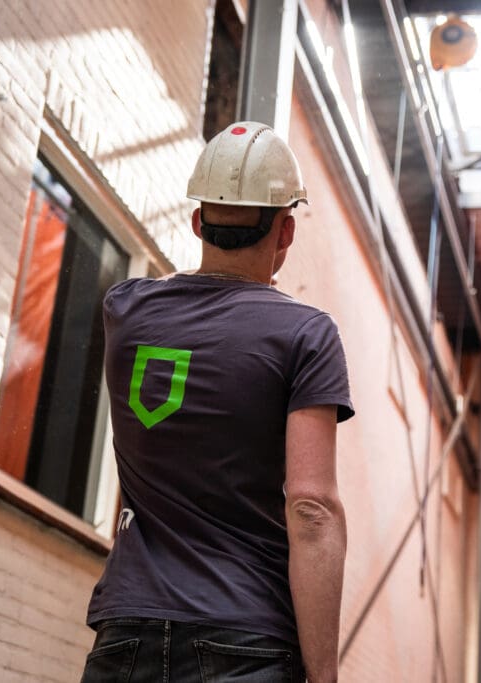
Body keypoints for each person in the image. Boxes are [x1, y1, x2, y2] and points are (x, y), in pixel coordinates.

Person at [82, 122, 353, 682]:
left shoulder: (125, 311)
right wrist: (324, 675)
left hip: (125, 633)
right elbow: (312, 508)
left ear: (196, 221)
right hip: (245, 640)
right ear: (286, 230)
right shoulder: (305, 335)